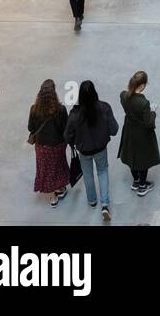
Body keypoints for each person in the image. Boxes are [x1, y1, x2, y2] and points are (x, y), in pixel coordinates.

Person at [64, 80, 118, 221]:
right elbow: (114, 130)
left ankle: (92, 200)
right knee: (102, 172)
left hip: (84, 151)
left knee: (88, 175)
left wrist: (73, 142)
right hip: (100, 148)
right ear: (95, 92)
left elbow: (67, 135)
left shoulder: (75, 114)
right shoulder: (104, 108)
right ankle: (105, 204)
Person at [28, 79, 70, 207]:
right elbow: (66, 128)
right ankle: (59, 189)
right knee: (58, 166)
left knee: (46, 169)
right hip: (57, 144)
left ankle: (53, 196)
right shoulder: (61, 110)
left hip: (41, 146)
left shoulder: (34, 109)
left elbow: (30, 127)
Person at [118, 71, 160, 198]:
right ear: (141, 86)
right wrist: (153, 112)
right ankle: (142, 186)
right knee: (143, 159)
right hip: (142, 135)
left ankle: (135, 181)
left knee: (132, 156)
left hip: (129, 132)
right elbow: (149, 124)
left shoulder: (123, 96)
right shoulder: (144, 103)